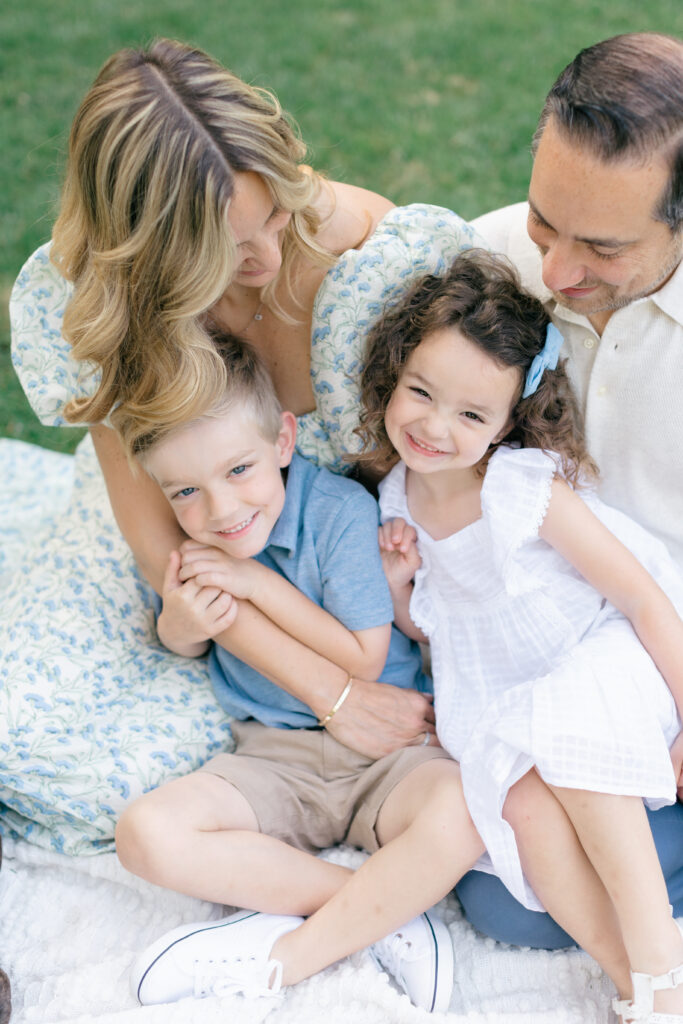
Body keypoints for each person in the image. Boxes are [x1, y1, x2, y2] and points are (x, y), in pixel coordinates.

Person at [9, 37, 484, 761]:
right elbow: (163, 553)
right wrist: (336, 698)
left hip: (351, 582)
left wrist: (361, 654)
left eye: (274, 216)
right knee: (31, 741)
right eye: (227, 249)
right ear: (146, 250)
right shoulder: (97, 305)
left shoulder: (368, 256)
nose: (265, 259)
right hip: (201, 576)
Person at [357, 248, 683, 1022]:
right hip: (507, 688)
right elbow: (431, 623)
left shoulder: (518, 487)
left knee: (566, 729)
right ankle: (630, 980)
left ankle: (661, 971)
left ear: (509, 423)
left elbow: (638, 597)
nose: (434, 427)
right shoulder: (394, 496)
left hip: (604, 656)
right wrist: (401, 584)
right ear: (391, 377)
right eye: (420, 394)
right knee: (520, 809)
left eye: (470, 415)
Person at [115, 333, 486, 1012]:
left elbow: (362, 657)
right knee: (145, 833)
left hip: (386, 750)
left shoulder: (336, 513)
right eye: (186, 492)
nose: (221, 512)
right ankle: (376, 912)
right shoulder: (198, 547)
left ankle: (308, 932)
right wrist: (182, 621)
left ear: (282, 442)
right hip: (272, 757)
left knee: (467, 810)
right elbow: (182, 645)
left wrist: (250, 584)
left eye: (239, 471)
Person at [458, 29, 683, 955]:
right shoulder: (487, 258)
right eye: (546, 218)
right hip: (552, 639)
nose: (552, 273)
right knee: (502, 899)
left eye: (600, 245)